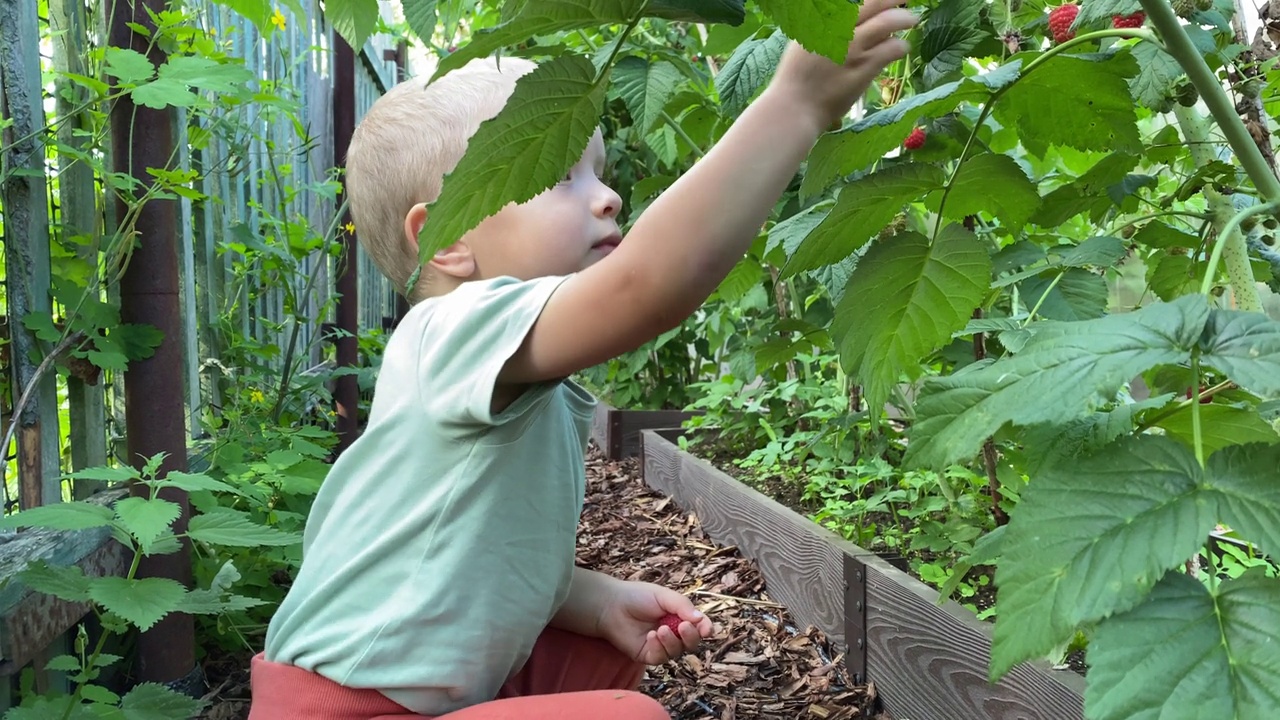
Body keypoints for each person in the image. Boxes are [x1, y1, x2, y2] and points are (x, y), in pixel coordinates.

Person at [247, 2, 917, 718]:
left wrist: (594, 603)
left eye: (597, 171)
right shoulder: (451, 327)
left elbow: (458, 557)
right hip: (342, 709)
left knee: (596, 661)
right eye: (561, 175)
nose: (607, 197)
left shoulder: (489, 363)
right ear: (446, 238)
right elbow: (646, 287)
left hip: (384, 688)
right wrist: (796, 103)